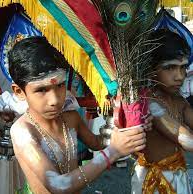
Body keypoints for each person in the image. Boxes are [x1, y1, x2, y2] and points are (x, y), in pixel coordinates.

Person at [9, 36, 150, 193]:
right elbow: (58, 186)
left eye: (60, 85)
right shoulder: (22, 131)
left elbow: (96, 143)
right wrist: (113, 152)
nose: (55, 100)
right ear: (19, 92)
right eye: (41, 90)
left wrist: (124, 127)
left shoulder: (70, 117)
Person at [131, 29, 193, 194]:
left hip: (178, 176)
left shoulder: (180, 101)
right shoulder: (149, 103)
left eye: (183, 67)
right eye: (170, 67)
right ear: (150, 70)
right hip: (154, 182)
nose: (179, 76)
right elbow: (186, 140)